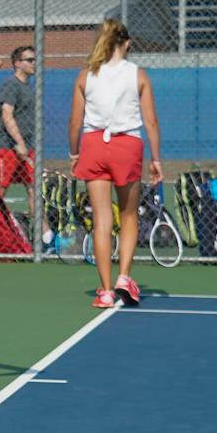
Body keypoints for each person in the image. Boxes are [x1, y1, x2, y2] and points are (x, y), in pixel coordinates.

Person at [67, 16, 162, 308]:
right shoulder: (138, 75)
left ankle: (106, 291)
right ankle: (123, 277)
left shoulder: (85, 75)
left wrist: (74, 153)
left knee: (102, 220)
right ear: (127, 43)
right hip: (127, 146)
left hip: (94, 145)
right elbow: (151, 122)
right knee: (129, 215)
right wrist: (156, 159)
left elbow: (75, 123)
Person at [0, 43, 38, 199]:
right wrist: (19, 143)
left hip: (27, 147)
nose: (34, 63)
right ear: (17, 63)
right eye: (29, 60)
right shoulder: (11, 85)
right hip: (7, 147)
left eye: (35, 60)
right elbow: (7, 115)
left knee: (33, 188)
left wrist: (25, 145)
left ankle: (39, 217)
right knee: (0, 188)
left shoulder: (29, 87)